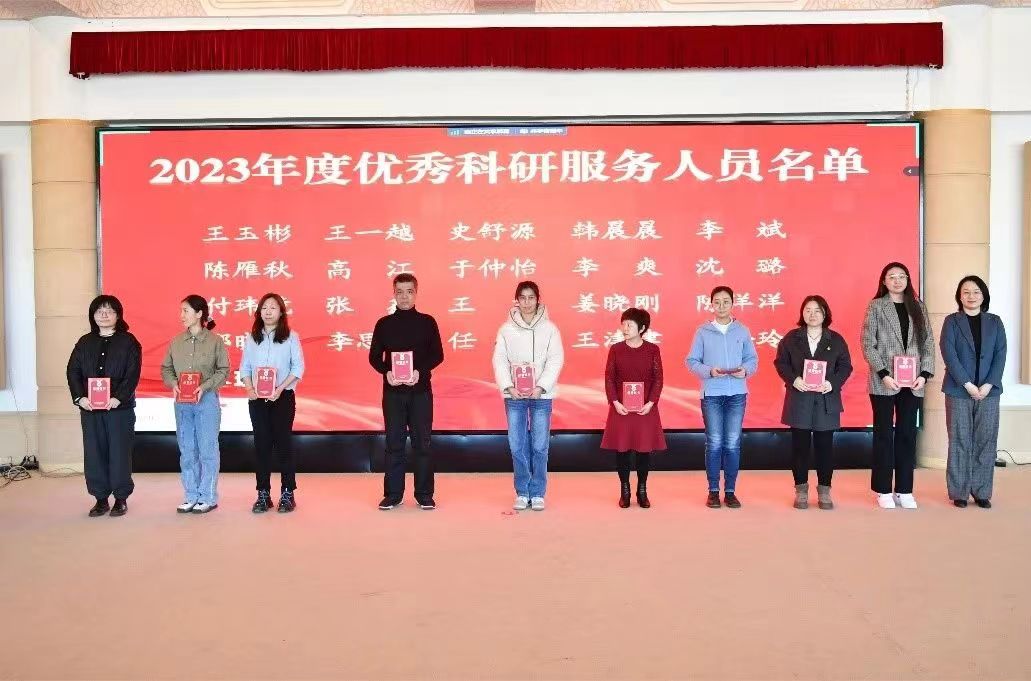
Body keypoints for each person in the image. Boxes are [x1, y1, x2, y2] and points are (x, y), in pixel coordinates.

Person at [860, 262, 935, 510]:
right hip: (884, 381)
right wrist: (883, 373)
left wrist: (924, 374)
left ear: (908, 280)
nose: (897, 281)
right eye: (891, 277)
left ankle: (904, 489)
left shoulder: (918, 307)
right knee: (883, 434)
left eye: (902, 276)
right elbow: (867, 343)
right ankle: (883, 489)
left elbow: (928, 342)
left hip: (913, 382)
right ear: (884, 281)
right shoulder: (876, 306)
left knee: (907, 434)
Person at [368, 273, 444, 511]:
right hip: (393, 393)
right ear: (394, 294)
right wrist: (386, 372)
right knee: (394, 443)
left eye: (409, 291)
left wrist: (420, 371)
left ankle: (424, 494)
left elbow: (438, 355)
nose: (404, 296)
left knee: (423, 443)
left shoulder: (427, 322)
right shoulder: (384, 324)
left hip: (420, 392)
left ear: (416, 293)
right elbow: (374, 357)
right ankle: (393, 494)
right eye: (399, 292)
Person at [773, 295, 853, 510]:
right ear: (802, 313)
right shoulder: (792, 338)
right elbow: (781, 363)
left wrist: (832, 383)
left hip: (826, 401)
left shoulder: (835, 339)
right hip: (800, 400)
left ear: (825, 314)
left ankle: (824, 491)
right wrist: (794, 379)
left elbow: (845, 366)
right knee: (799, 449)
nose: (812, 314)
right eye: (808, 310)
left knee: (825, 449)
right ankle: (801, 491)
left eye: (817, 310)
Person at [66, 295, 142, 517]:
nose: (104, 314)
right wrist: (80, 398)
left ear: (118, 315)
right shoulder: (84, 342)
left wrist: (119, 397)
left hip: (119, 409)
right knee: (94, 453)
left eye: (109, 311)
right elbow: (73, 371)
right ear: (93, 315)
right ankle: (100, 499)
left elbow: (133, 373)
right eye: (99, 311)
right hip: (90, 409)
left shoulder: (128, 341)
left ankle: (120, 498)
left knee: (119, 453)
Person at [492, 281, 564, 511]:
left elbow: (555, 359)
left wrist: (542, 386)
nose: (527, 302)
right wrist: (508, 386)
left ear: (537, 300)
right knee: (517, 445)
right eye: (522, 298)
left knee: (540, 445)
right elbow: (499, 360)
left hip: (541, 395)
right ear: (517, 301)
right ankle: (522, 491)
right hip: (514, 396)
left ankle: (538, 492)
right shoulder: (506, 329)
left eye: (531, 297)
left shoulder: (550, 329)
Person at [686, 286, 758, 509]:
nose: (721, 306)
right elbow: (691, 361)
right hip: (712, 395)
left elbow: (752, 360)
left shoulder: (742, 331)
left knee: (733, 443)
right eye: (717, 302)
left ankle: (731, 492)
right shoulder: (702, 332)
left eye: (726, 301)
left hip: (737, 394)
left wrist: (745, 371)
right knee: (715, 443)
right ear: (711, 305)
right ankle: (713, 491)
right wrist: (709, 371)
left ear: (733, 304)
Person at [940, 275, 1006, 509]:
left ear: (983, 296)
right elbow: (948, 353)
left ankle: (981, 491)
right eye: (966, 292)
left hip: (989, 391)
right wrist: (967, 384)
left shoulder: (995, 322)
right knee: (959, 440)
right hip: (958, 390)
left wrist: (988, 384)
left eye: (976, 292)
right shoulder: (951, 321)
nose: (971, 296)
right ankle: (959, 492)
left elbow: (1000, 354)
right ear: (959, 296)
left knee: (986, 441)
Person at [160, 295, 230, 514]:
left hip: (206, 400)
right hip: (182, 402)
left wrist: (205, 386)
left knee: (207, 449)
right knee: (187, 449)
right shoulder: (176, 342)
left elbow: (224, 370)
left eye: (186, 310)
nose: (181, 315)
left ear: (199, 314)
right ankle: (191, 495)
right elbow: (166, 368)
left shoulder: (215, 341)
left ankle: (208, 496)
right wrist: (173, 383)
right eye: (181, 310)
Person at [240, 293, 305, 514]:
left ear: (281, 312)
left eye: (273, 308)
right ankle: (263, 493)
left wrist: (280, 388)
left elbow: (298, 368)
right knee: (261, 446)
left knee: (284, 445)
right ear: (259, 312)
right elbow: (245, 367)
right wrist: (249, 388)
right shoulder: (252, 338)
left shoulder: (291, 337)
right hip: (257, 399)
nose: (268, 312)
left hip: (282, 397)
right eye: (264, 308)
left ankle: (288, 493)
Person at [601, 308, 666, 508]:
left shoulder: (652, 349)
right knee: (622, 451)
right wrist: (615, 402)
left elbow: (658, 379)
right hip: (621, 408)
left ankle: (642, 490)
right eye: (623, 324)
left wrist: (651, 403)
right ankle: (625, 490)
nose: (625, 328)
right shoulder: (616, 349)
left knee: (643, 451)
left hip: (645, 409)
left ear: (642, 328)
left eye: (629, 324)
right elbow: (609, 378)